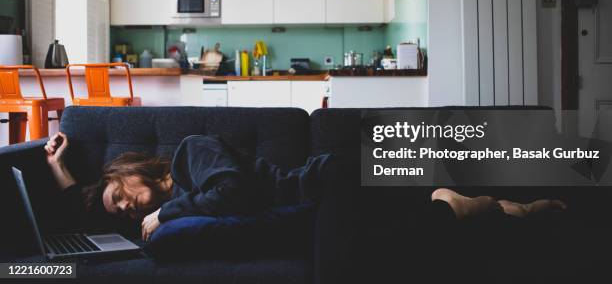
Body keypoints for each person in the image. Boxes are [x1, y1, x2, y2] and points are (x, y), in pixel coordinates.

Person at [44, 132, 566, 245]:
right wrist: (56, 165)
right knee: (408, 227)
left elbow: (233, 193)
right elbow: (78, 211)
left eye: (122, 195)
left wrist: (168, 214)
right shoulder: (167, 200)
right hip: (322, 199)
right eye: (124, 212)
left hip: (325, 179)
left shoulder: (189, 153)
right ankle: (502, 209)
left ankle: (469, 205)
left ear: (125, 172)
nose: (130, 207)